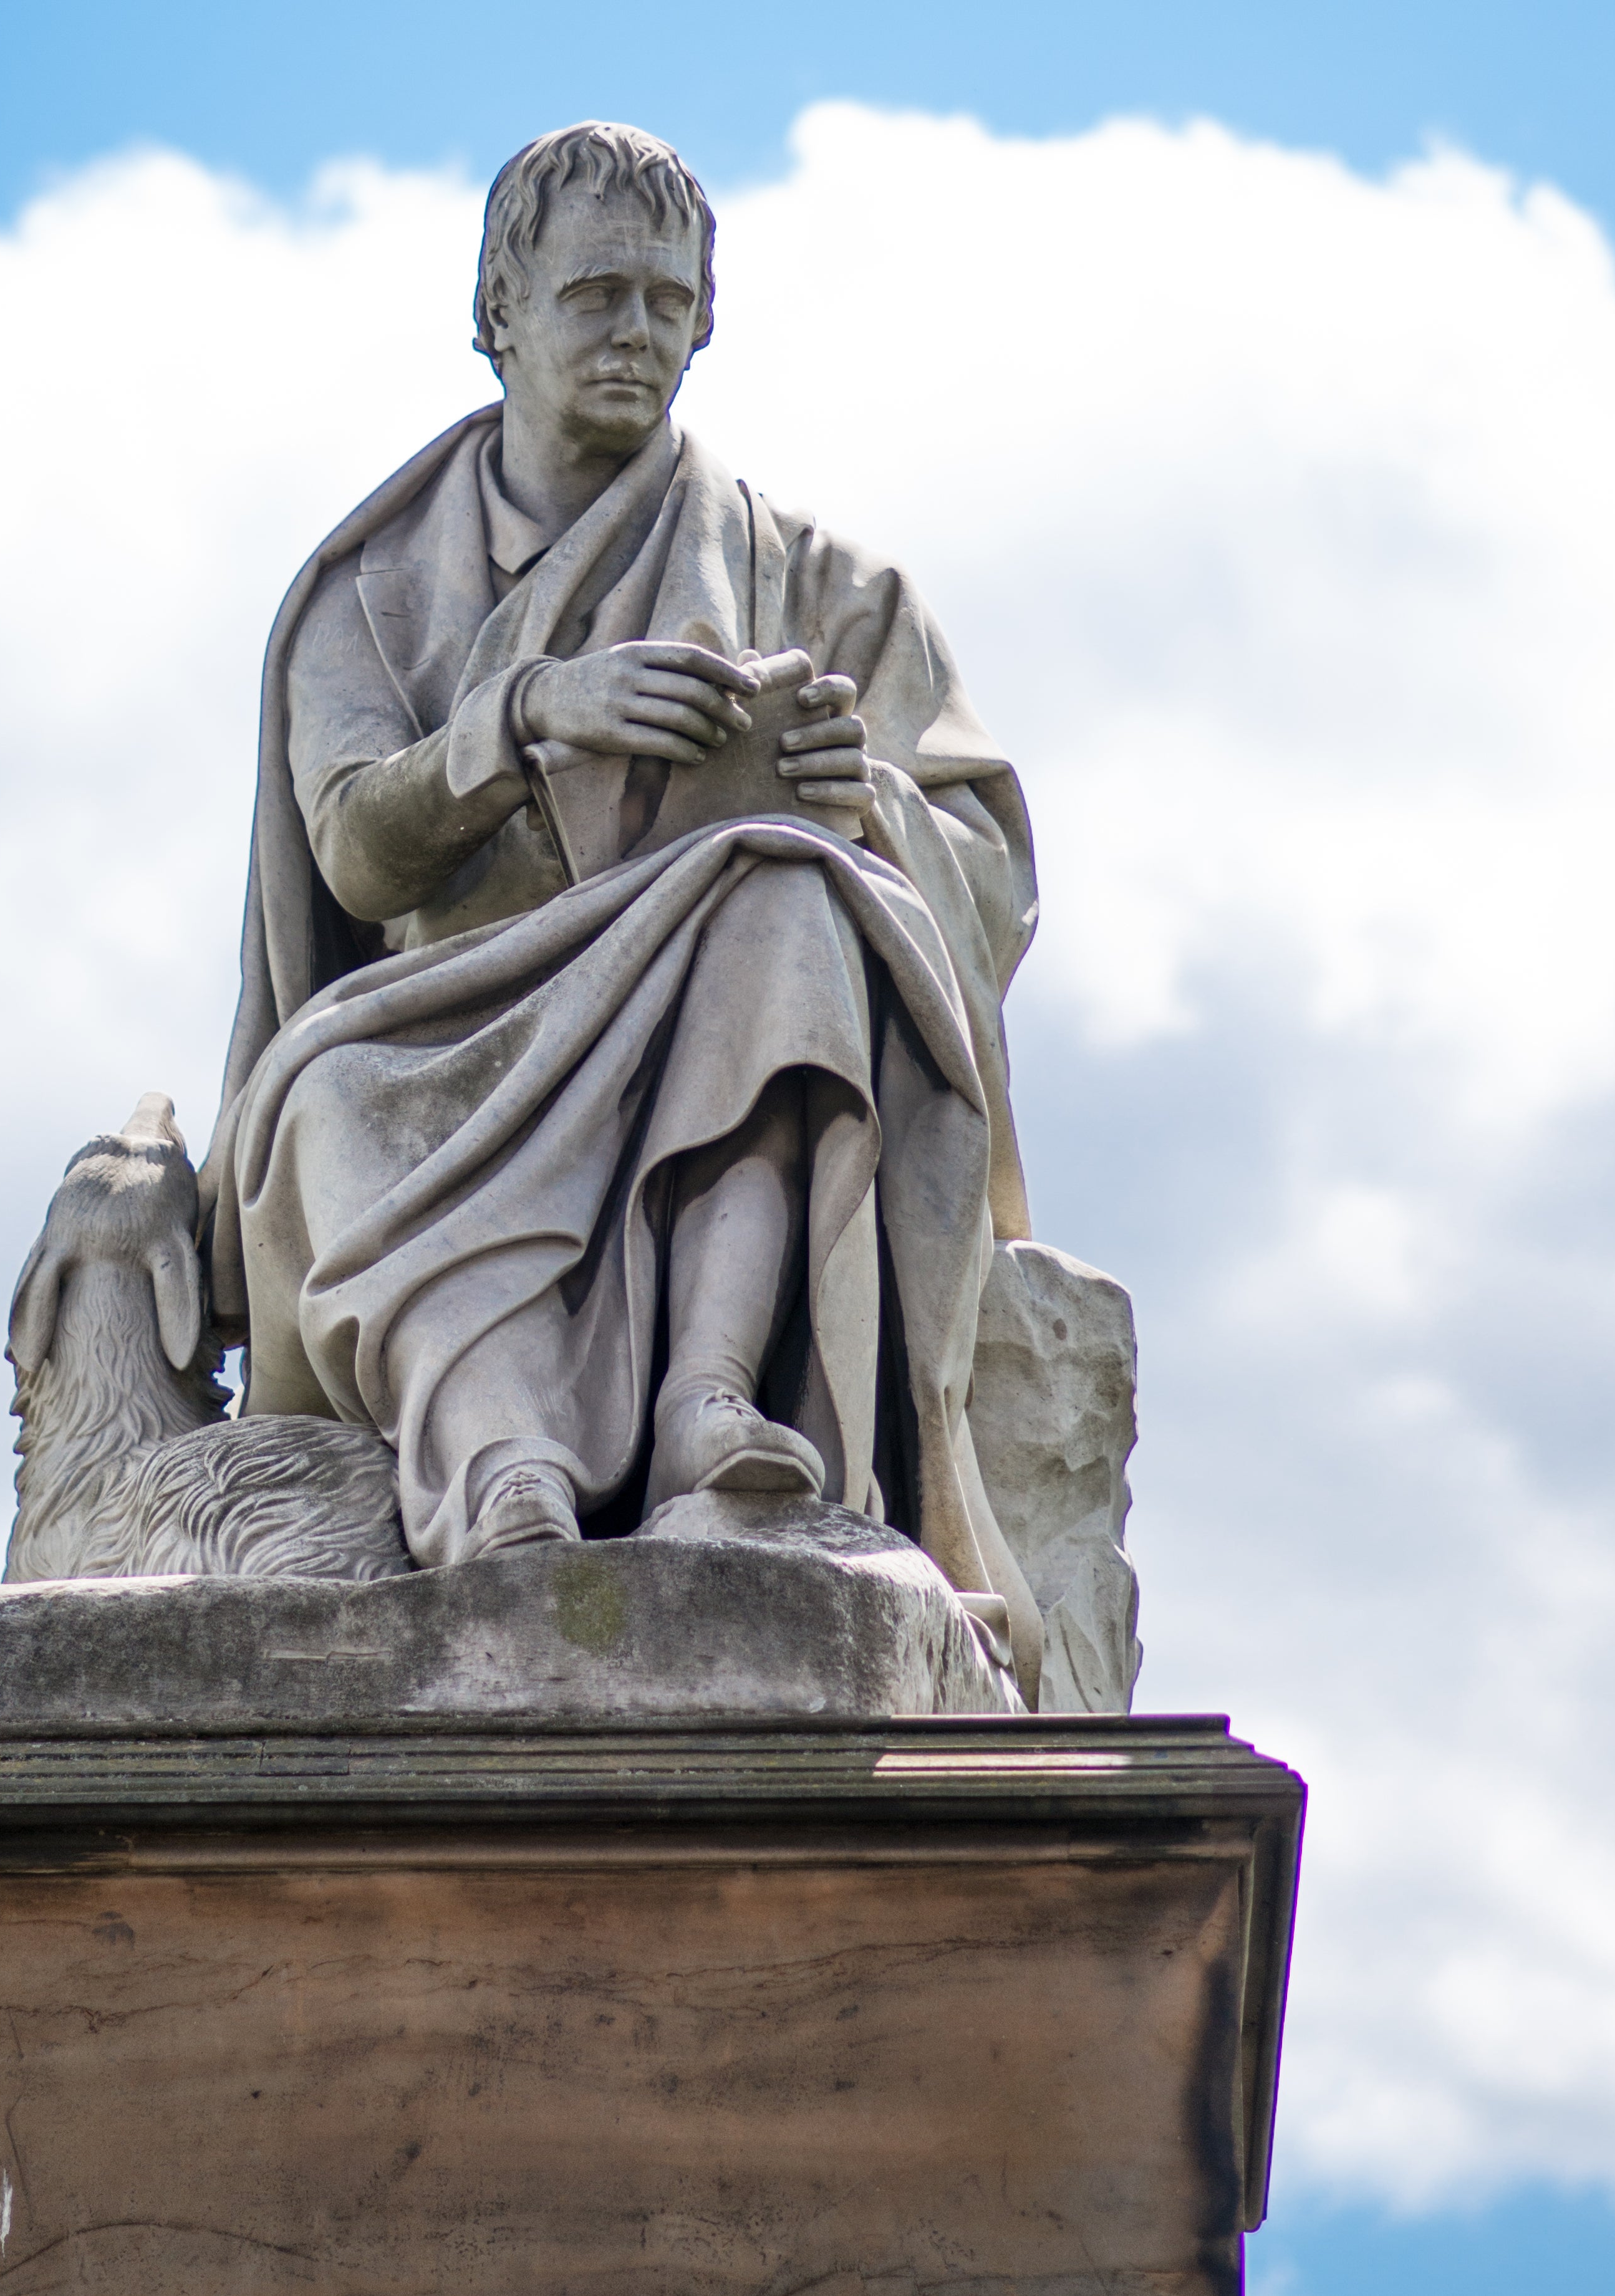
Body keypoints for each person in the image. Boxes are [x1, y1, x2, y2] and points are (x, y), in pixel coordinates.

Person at [196, 121, 1046, 1687]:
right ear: (496, 311)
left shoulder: (824, 584)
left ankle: (712, 1404)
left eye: (666, 300)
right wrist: (522, 722)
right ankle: (495, 1456)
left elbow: (985, 868)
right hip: (436, 1026)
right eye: (593, 294)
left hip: (708, 985)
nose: (635, 333)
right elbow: (354, 858)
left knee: (788, 898)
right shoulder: (365, 590)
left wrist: (849, 809)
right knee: (321, 1100)